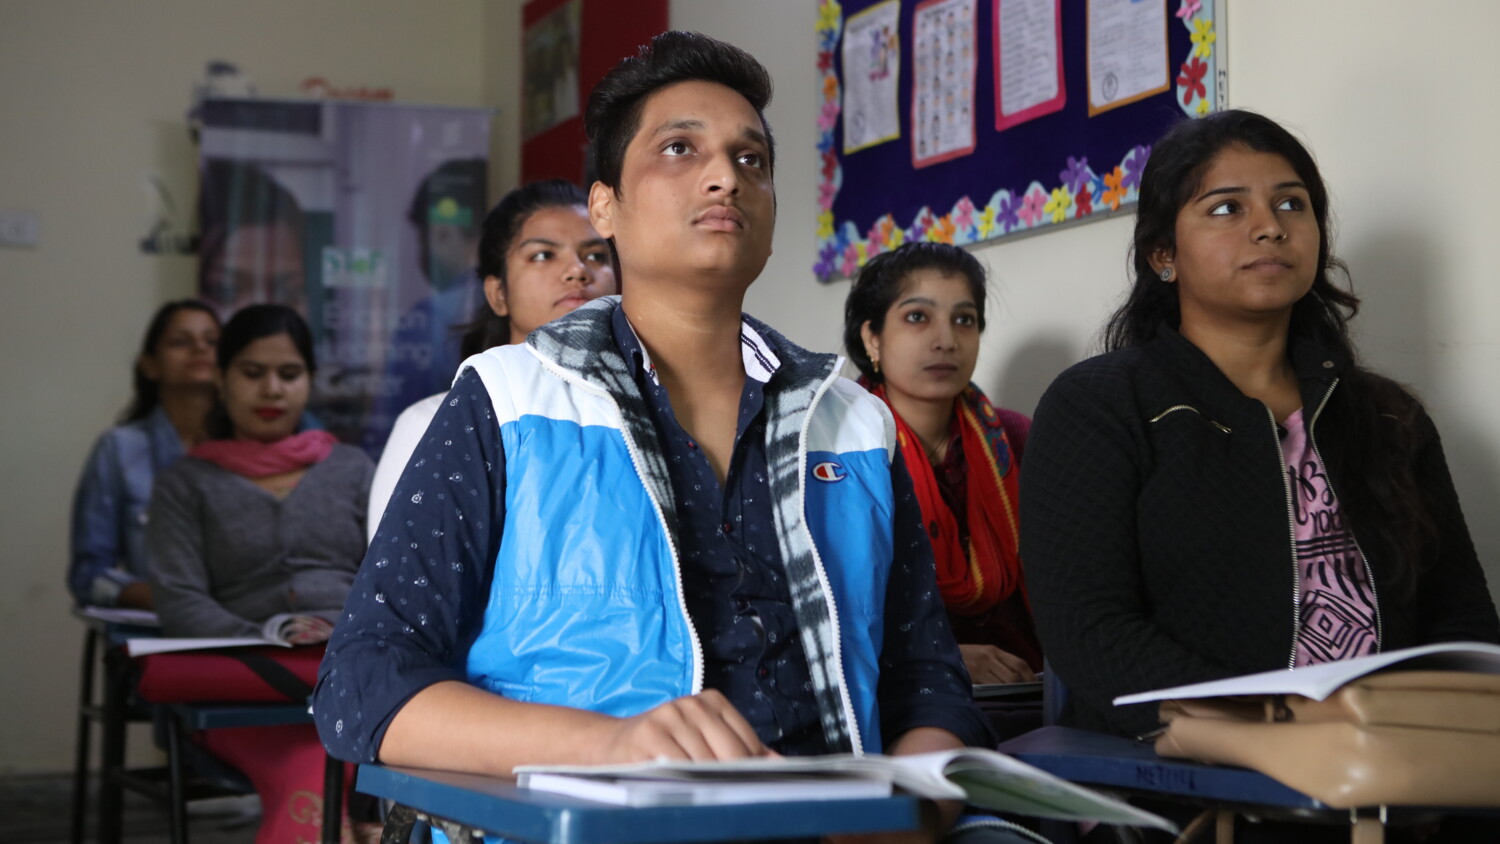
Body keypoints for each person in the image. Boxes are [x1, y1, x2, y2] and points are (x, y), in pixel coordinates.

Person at [317, 31, 1019, 844]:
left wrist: (915, 812)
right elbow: (362, 683)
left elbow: (926, 681)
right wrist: (614, 748)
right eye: (680, 149)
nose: (727, 176)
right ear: (605, 205)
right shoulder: (505, 401)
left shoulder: (853, 423)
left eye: (751, 159)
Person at [1020, 110, 1500, 742]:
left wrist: (1437, 743)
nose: (1270, 228)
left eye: (1291, 205)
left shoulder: (1389, 418)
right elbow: (1089, 632)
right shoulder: (1100, 406)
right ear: (1163, 253)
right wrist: (1271, 731)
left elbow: (1460, 618)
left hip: (1394, 765)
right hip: (1190, 777)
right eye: (1226, 209)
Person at [147, 304, 373, 844]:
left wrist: (339, 631)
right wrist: (269, 637)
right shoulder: (185, 483)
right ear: (221, 381)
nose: (271, 390)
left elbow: (389, 580)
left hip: (351, 678)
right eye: (252, 374)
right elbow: (179, 600)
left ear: (310, 382)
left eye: (289, 375)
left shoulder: (352, 469)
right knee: (316, 773)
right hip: (246, 689)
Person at [366, 179, 617, 536]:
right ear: (498, 293)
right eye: (543, 255)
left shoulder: (644, 416)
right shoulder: (434, 424)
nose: (578, 271)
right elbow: (401, 582)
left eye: (596, 255)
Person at [843, 243, 1041, 686]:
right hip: (902, 692)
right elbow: (834, 608)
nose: (946, 339)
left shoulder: (1016, 439)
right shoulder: (840, 452)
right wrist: (941, 655)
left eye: (964, 320)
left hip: (1031, 687)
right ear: (872, 336)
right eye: (918, 317)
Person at [69, 300, 220, 609]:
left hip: (246, 631)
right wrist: (171, 601)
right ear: (150, 364)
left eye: (212, 341)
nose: (200, 349)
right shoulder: (118, 448)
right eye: (181, 341)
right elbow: (88, 576)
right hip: (155, 632)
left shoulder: (252, 444)